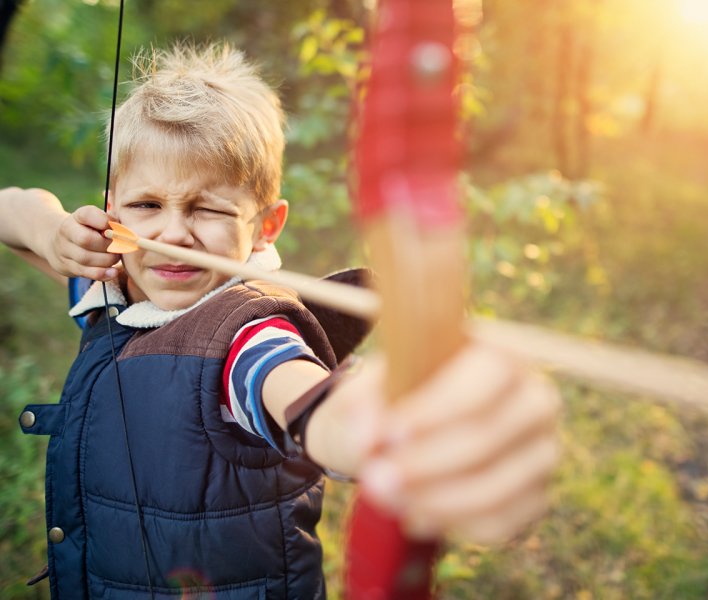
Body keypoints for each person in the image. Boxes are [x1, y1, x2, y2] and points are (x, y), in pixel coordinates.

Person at [0, 43, 560, 598]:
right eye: (147, 206)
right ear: (112, 208)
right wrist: (54, 234)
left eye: (208, 208)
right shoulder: (119, 294)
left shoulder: (249, 333)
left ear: (267, 227)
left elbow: (316, 406)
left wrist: (396, 429)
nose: (171, 234)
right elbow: (11, 210)